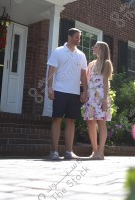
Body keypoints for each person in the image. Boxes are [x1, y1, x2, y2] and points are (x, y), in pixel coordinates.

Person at [47, 28, 88, 160]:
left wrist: (85, 91)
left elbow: (83, 75)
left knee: (71, 121)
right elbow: (51, 71)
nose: (79, 40)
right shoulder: (58, 51)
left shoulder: (81, 55)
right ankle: (54, 152)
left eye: (79, 37)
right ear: (69, 36)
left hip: (74, 93)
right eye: (77, 37)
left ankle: (68, 151)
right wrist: (49, 88)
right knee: (57, 119)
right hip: (59, 90)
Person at [83, 42, 113, 160]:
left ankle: (101, 152)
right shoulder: (91, 64)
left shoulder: (106, 63)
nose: (93, 48)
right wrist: (84, 93)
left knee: (101, 122)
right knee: (90, 123)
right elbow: (86, 80)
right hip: (91, 97)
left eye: (95, 47)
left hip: (101, 97)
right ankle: (94, 151)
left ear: (101, 49)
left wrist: (105, 100)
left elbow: (105, 82)